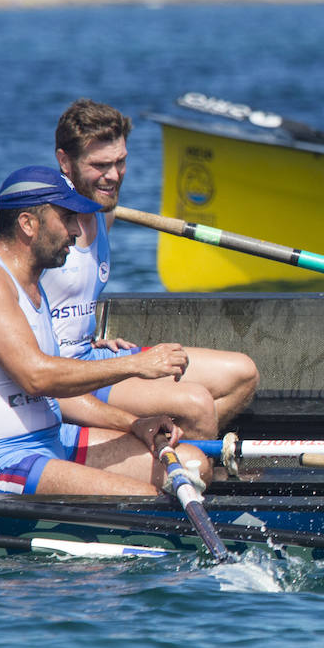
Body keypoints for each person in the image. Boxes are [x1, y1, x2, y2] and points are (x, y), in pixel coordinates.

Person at [0, 166, 213, 495]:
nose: (77, 231)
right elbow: (37, 377)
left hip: (54, 439)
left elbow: (57, 393)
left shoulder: (34, 284)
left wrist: (134, 424)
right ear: (27, 224)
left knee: (194, 464)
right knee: (145, 500)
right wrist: (135, 365)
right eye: (67, 218)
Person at [41, 99, 259, 439]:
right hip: (64, 378)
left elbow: (69, 296)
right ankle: (191, 468)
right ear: (64, 161)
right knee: (196, 403)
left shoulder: (104, 212)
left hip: (92, 356)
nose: (113, 176)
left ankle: (157, 450)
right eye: (100, 165)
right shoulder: (39, 225)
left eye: (120, 162)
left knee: (243, 374)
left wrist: (92, 338)